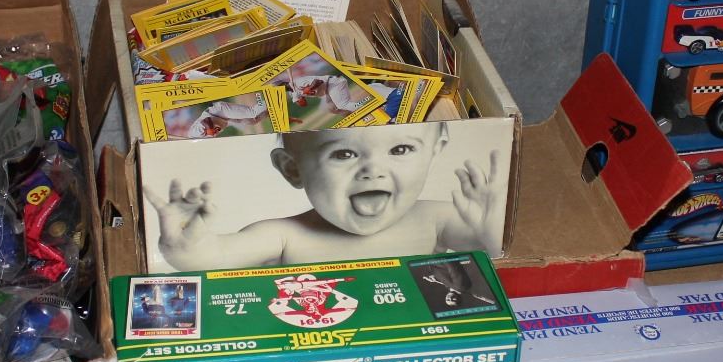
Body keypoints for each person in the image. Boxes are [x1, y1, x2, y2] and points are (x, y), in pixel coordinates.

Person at [146, 124, 504, 269]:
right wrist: (185, 244)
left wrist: (491, 224)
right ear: (293, 169)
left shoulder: (436, 219)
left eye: (400, 149)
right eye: (343, 154)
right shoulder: (285, 235)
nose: (372, 171)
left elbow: (495, 250)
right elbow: (213, 258)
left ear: (434, 152)